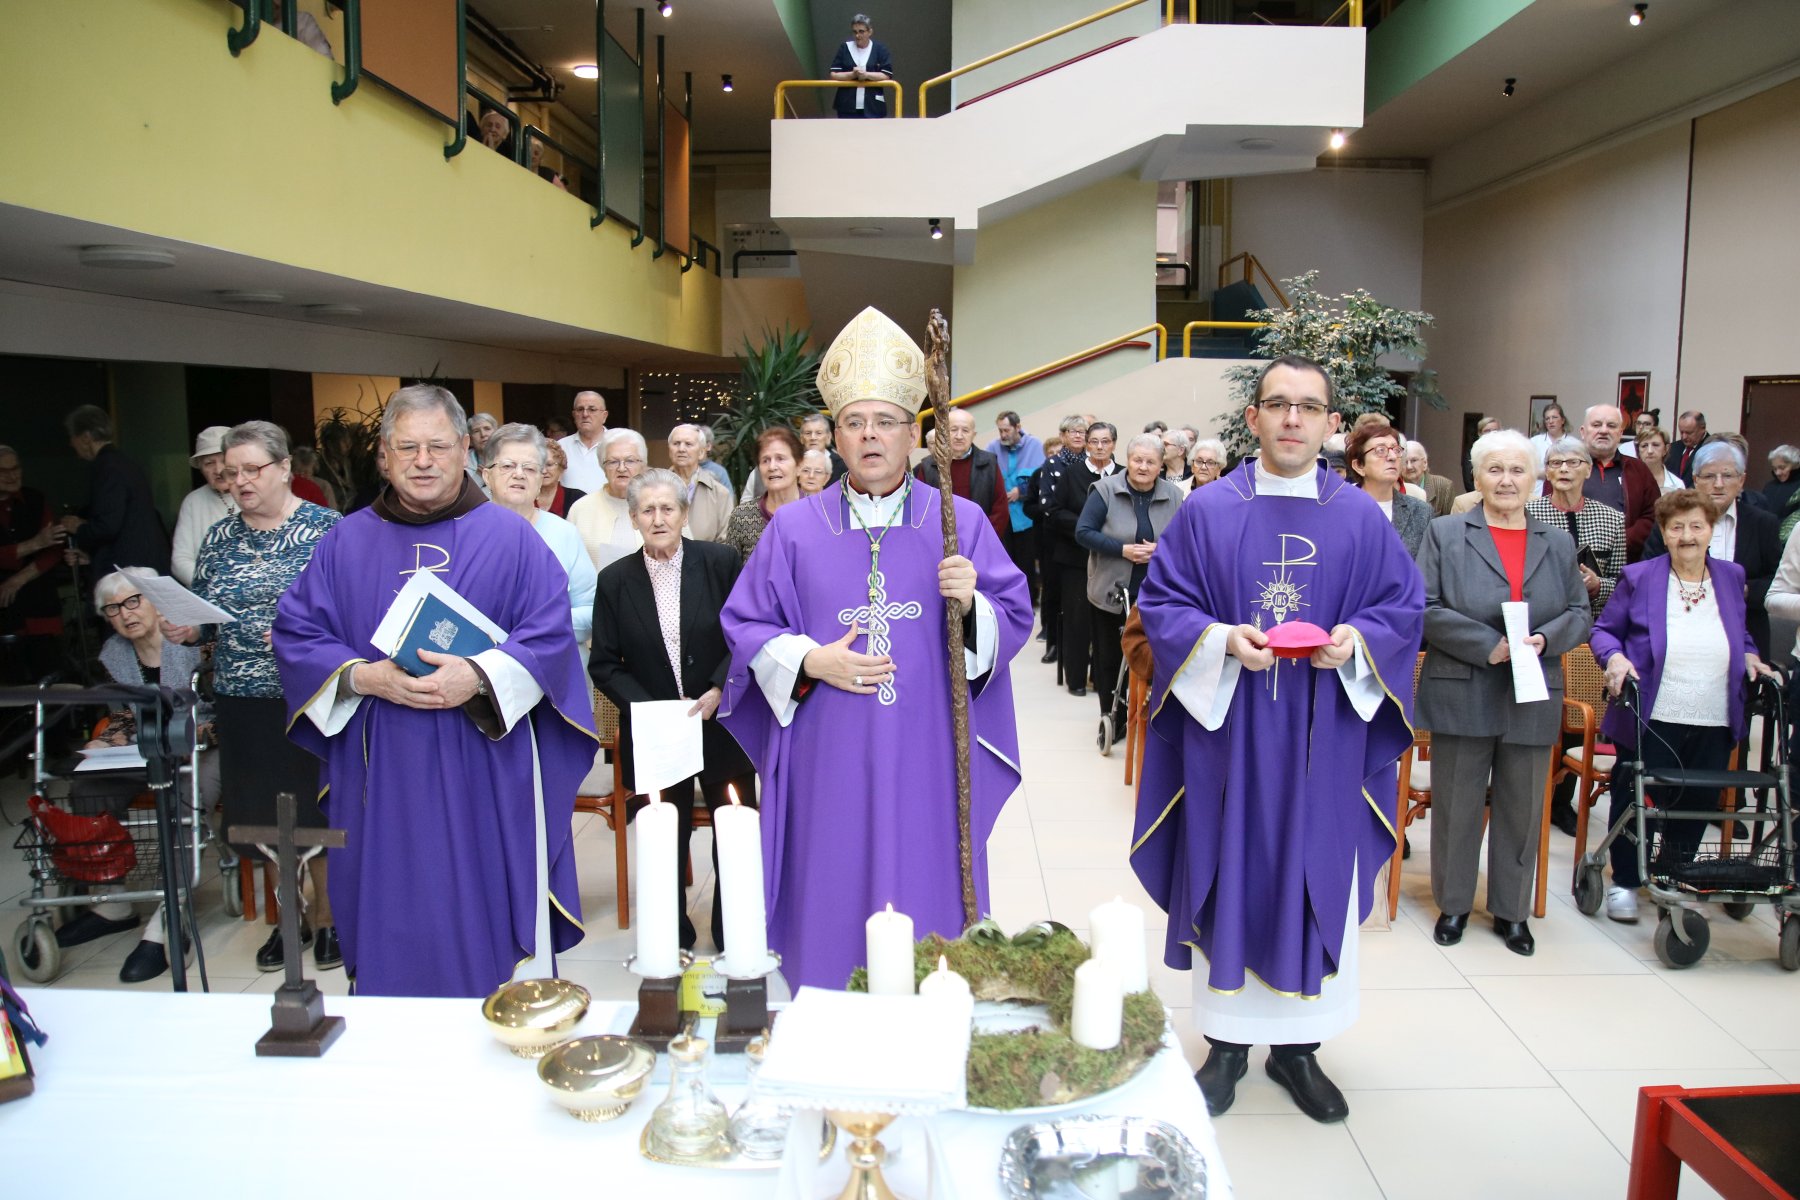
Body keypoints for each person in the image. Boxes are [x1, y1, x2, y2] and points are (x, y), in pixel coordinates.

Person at [1129, 355, 1422, 1125]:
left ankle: (1300, 1051)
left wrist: (1355, 641)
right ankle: (1225, 1046)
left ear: (1331, 424)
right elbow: (1161, 605)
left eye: (1309, 407)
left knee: (1311, 867)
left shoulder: (1362, 516)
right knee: (1229, 867)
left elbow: (1402, 607)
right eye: (1278, 404)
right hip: (1231, 740)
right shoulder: (1206, 511)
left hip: (1325, 737)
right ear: (1253, 418)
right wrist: (1223, 639)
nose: (1293, 419)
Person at [718, 306, 1033, 991]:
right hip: (828, 756)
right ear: (833, 436)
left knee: (928, 910)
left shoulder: (959, 523)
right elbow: (745, 626)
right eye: (854, 423)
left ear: (912, 434)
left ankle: (931, 1012)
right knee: (830, 889)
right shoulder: (796, 528)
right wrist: (810, 659)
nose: (869, 437)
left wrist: (972, 602)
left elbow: (1013, 618)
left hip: (929, 753)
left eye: (885, 422)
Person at [273, 385, 596, 998]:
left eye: (438, 446)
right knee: (394, 896)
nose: (423, 460)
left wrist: (477, 675)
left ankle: (502, 1011)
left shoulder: (512, 537)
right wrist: (363, 676)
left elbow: (550, 635)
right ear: (385, 459)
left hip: (486, 760)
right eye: (407, 447)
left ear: (465, 452)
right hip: (382, 765)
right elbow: (295, 632)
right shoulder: (345, 542)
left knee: (483, 893)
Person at [166, 422, 341, 970]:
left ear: (285, 468)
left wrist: (300, 634)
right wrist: (190, 629)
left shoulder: (328, 530)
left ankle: (330, 919)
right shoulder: (219, 537)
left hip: (307, 695)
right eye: (230, 472)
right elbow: (206, 611)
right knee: (261, 812)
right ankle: (287, 921)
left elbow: (354, 612)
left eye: (251, 470)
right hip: (241, 697)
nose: (238, 481)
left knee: (315, 806)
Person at [1416, 430, 1592, 957]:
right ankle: (1453, 904)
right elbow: (1422, 606)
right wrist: (1488, 645)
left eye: (1518, 470)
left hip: (1534, 688)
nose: (1507, 480)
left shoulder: (1557, 539)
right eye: (1495, 469)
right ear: (1477, 478)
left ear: (1535, 478)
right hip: (1464, 682)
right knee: (1458, 801)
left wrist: (1545, 640)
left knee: (1522, 805)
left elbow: (1580, 613)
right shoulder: (1445, 532)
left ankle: (1513, 911)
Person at [1590, 489, 1776, 923]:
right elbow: (1604, 632)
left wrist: (1749, 655)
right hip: (1652, 710)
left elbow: (1739, 634)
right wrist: (1615, 659)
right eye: (1677, 527)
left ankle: (1676, 875)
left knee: (1697, 798)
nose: (1687, 536)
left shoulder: (1730, 576)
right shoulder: (1641, 576)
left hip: (1714, 710)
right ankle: (1627, 881)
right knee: (1635, 796)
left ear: (1711, 531)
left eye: (1697, 526)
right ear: (1664, 532)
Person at [591, 469, 756, 952]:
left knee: (734, 827)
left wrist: (720, 686)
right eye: (648, 510)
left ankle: (735, 934)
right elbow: (603, 662)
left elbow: (747, 631)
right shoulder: (615, 580)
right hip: (658, 729)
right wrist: (654, 707)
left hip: (722, 721)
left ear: (684, 513)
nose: (658, 518)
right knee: (667, 833)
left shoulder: (720, 561)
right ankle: (672, 939)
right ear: (633, 517)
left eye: (668, 508)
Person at [67, 572, 221, 983]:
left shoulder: (194, 643)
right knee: (87, 787)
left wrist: (190, 735)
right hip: (148, 745)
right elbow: (124, 713)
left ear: (155, 601)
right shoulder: (114, 653)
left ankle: (165, 918)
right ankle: (112, 901)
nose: (125, 614)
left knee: (182, 798)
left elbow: (224, 706)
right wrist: (106, 741)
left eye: (133, 601)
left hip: (205, 742)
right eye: (114, 609)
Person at [1075, 433, 1182, 720]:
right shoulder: (1105, 490)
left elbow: (1185, 538)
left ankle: (1144, 713)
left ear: (1161, 465)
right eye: (1137, 460)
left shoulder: (1174, 496)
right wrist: (1123, 550)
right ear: (1128, 460)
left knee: (1148, 655)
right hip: (1111, 590)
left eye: (1151, 462)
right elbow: (1083, 532)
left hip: (1156, 593)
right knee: (1109, 657)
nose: (1143, 467)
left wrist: (1162, 549)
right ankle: (1111, 717)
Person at [1640, 440, 1781, 656]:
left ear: (1741, 480)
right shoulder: (1672, 523)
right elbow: (1648, 571)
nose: (1718, 484)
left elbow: (1778, 580)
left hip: (1747, 634)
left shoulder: (1763, 523)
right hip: (1680, 632)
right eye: (1708, 476)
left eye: (1727, 475)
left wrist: (1744, 590)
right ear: (1695, 480)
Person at [483, 424, 598, 645]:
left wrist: (539, 627)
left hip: (552, 666)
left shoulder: (564, 533)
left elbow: (591, 610)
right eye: (508, 466)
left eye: (530, 468)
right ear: (487, 476)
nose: (519, 474)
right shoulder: (467, 533)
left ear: (540, 480)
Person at [1045, 421, 1117, 697]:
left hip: (1112, 560)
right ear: (1086, 444)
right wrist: (1086, 526)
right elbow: (1054, 511)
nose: (1100, 447)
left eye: (1105, 441)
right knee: (1077, 620)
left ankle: (1102, 679)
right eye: (1094, 441)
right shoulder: (1072, 474)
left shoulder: (1122, 475)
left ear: (1113, 444)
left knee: (1107, 623)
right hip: (1075, 559)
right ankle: (1075, 678)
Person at [61, 405, 170, 581]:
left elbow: (107, 526)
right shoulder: (123, 462)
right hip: (145, 562)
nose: (71, 443)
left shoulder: (107, 467)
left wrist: (78, 527)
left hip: (130, 571)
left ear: (86, 437)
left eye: (72, 437)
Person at [1527, 437, 1627, 618]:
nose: (1564, 469)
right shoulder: (1527, 516)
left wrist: (1598, 586)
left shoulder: (1613, 519)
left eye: (1573, 462)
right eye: (1556, 463)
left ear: (1588, 470)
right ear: (1548, 472)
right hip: (1541, 621)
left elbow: (1621, 583)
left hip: (1593, 624)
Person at [0, 446, 67, 682]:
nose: (12, 475)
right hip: (5, 617)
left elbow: (54, 549)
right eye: (3, 471)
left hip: (39, 609)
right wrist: (33, 544)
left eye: (15, 468)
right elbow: (40, 543)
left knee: (51, 681)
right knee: (11, 687)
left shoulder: (35, 499)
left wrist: (17, 579)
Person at [1030, 416, 1088, 666]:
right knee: (1054, 594)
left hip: (1090, 542)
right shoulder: (1051, 464)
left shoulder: (1094, 464)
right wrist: (1082, 526)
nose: (1078, 436)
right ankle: (1053, 643)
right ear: (1063, 435)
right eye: (1072, 431)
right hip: (1057, 539)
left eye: (1082, 432)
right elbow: (1048, 505)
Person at [1577, 405, 1659, 561]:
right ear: (1582, 431)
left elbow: (1653, 514)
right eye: (1596, 425)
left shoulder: (1638, 470)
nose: (1603, 430)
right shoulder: (1565, 467)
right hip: (1574, 561)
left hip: (1626, 561)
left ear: (1620, 433)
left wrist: (1619, 542)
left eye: (1611, 425)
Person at [917, 409, 1010, 541]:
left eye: (965, 430)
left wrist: (983, 541)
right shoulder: (928, 467)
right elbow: (920, 510)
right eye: (953, 429)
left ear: (973, 434)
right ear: (943, 432)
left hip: (981, 543)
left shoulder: (989, 464)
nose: (959, 436)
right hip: (938, 544)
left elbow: (1000, 510)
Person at [1344, 423, 1432, 559]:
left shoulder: (1420, 511)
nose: (1392, 457)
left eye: (1396, 450)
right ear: (1359, 466)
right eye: (1380, 450)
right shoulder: (1338, 509)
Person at [566, 428, 648, 571]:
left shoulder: (660, 505)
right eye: (613, 462)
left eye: (630, 461)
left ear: (642, 465)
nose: (621, 468)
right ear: (602, 466)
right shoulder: (581, 508)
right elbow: (567, 562)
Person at [988, 410, 1044, 606]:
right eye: (1000, 431)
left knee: (1026, 561)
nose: (1003, 435)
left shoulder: (1035, 445)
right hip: (1003, 516)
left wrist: (1020, 491)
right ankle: (1009, 600)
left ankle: (1029, 599)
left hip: (1025, 517)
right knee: (1005, 560)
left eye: (1006, 430)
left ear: (1018, 427)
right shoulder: (993, 447)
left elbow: (1041, 479)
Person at [723, 427, 804, 563]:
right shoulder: (742, 517)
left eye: (780, 458)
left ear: (799, 465)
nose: (772, 467)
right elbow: (730, 574)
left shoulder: (817, 513)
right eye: (765, 460)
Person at [170, 426, 236, 586]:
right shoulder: (193, 501)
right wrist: (211, 586)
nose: (218, 470)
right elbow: (180, 560)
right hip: (207, 594)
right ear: (200, 467)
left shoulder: (254, 493)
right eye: (209, 463)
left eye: (223, 461)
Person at [666, 424, 734, 542]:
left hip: (707, 559)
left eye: (688, 444)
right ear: (669, 450)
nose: (681, 449)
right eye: (676, 443)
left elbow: (726, 541)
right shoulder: (654, 488)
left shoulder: (720, 494)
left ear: (701, 452)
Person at [827, 13, 894, 119]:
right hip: (846, 105)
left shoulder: (880, 49)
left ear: (870, 32)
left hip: (873, 106)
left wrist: (866, 75)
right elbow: (834, 74)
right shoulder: (845, 48)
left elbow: (887, 74)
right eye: (855, 32)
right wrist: (852, 74)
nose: (858, 36)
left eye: (861, 31)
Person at [557, 390, 611, 493]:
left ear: (604, 416)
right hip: (570, 509)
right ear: (574, 415)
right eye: (580, 409)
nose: (585, 414)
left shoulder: (619, 444)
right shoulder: (561, 447)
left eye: (592, 409)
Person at [1402, 440, 1456, 516]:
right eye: (1404, 461)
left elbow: (1449, 522)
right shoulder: (1394, 487)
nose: (1409, 466)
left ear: (1425, 463)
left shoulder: (1444, 487)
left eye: (1413, 460)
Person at [536, 438, 586, 518]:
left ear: (561, 467)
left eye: (549, 465)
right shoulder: (522, 497)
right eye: (539, 465)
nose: (544, 470)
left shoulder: (578, 499)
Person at [799, 412, 848, 484]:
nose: (813, 437)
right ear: (801, 438)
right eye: (808, 433)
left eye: (818, 433)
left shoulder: (842, 466)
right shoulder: (794, 463)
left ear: (828, 437)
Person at [1637, 426, 1685, 495]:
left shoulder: (1677, 485)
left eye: (1655, 445)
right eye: (1644, 446)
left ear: (1666, 449)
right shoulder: (1627, 480)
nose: (1650, 451)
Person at [1669, 410, 1711, 482]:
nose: (1684, 437)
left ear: (1703, 428)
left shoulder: (1712, 448)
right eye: (1681, 432)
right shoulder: (1672, 448)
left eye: (1689, 433)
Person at [695, 425, 733, 495]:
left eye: (696, 442)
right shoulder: (679, 470)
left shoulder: (719, 472)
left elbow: (728, 500)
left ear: (708, 446)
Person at [1763, 445, 1800, 515]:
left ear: (1796, 465)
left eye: (1782, 468)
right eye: (1774, 469)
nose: (1777, 473)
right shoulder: (1769, 487)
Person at [466, 412, 498, 479]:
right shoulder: (462, 460)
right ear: (470, 440)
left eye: (487, 428)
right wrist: (478, 477)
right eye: (476, 431)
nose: (483, 434)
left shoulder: (508, 454)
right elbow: (464, 489)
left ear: (497, 433)